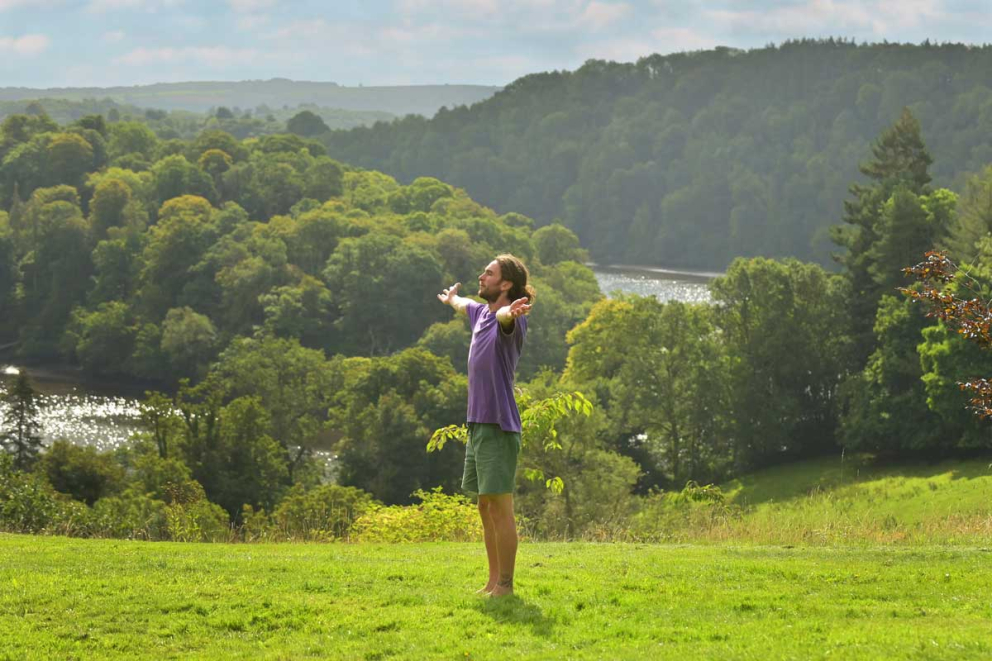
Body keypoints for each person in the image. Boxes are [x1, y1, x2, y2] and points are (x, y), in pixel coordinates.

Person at [437, 254, 534, 597]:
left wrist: (511, 312)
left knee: (501, 506)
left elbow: (506, 316)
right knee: (484, 505)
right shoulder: (480, 313)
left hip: (498, 425)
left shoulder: (510, 320)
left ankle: (506, 586)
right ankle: (493, 581)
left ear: (505, 284)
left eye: (489, 273)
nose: (481, 276)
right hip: (478, 423)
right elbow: (464, 304)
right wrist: (451, 299)